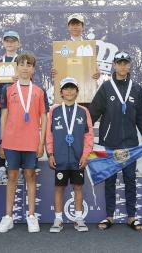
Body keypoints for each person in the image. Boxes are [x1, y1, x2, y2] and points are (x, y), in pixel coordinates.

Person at [89, 51, 142, 231]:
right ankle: (109, 216)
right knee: (110, 180)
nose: (123, 66)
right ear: (114, 65)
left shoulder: (136, 88)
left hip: (130, 144)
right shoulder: (106, 87)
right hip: (109, 143)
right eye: (119, 63)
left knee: (130, 179)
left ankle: (132, 217)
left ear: (129, 65)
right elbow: (93, 113)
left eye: (126, 63)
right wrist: (83, 132)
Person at [0, 52, 47, 233]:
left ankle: (31, 216)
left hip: (31, 142)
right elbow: (3, 116)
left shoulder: (40, 91)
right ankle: (8, 216)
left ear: (33, 69)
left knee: (31, 176)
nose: (25, 68)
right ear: (16, 67)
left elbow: (44, 117)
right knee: (12, 178)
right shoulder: (7, 90)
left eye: (29, 65)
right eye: (22, 64)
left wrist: (41, 143)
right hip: (11, 142)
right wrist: (1, 141)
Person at [46, 77, 94, 233]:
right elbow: (49, 134)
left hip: (77, 158)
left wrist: (85, 155)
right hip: (59, 158)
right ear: (61, 92)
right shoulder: (54, 111)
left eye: (72, 88)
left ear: (77, 92)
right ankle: (58, 219)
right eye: (66, 88)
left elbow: (89, 136)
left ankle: (78, 218)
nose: (69, 91)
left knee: (78, 187)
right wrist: (51, 154)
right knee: (59, 188)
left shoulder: (83, 111)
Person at [0, 30, 21, 183]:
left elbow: (31, 80)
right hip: (1, 103)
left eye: (13, 41)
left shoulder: (22, 61)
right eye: (7, 41)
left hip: (18, 103)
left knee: (17, 133)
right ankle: (1, 168)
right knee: (1, 135)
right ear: (3, 43)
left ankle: (16, 167)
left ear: (18, 44)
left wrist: (19, 78)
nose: (10, 43)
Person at [51, 13, 100, 81]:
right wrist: (54, 72)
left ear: (82, 27)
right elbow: (58, 67)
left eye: (78, 24)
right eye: (72, 24)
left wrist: (97, 73)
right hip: (67, 84)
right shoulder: (61, 46)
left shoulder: (88, 46)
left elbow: (94, 66)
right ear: (68, 27)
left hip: (86, 83)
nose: (75, 27)